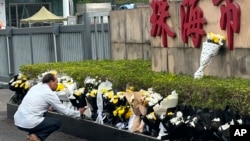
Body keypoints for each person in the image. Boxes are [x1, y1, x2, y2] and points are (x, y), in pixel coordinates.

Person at [14, 73, 86, 141]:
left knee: (43, 113)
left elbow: (35, 102)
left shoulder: (35, 87)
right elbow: (64, 111)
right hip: (29, 123)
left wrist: (48, 105)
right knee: (56, 123)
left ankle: (31, 136)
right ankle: (36, 137)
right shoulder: (49, 93)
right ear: (51, 82)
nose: (57, 85)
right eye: (56, 82)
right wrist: (78, 113)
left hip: (18, 121)